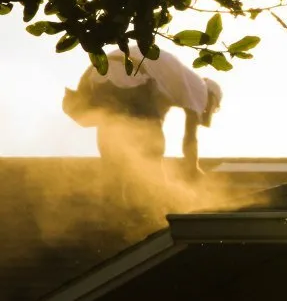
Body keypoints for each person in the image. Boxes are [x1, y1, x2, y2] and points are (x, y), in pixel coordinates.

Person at [63, 46, 222, 202]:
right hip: (133, 76)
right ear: (212, 98)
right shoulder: (200, 88)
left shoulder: (167, 85)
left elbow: (152, 120)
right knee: (152, 149)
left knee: (113, 141)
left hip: (99, 74)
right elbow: (189, 138)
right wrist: (194, 168)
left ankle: (114, 205)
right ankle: (153, 203)